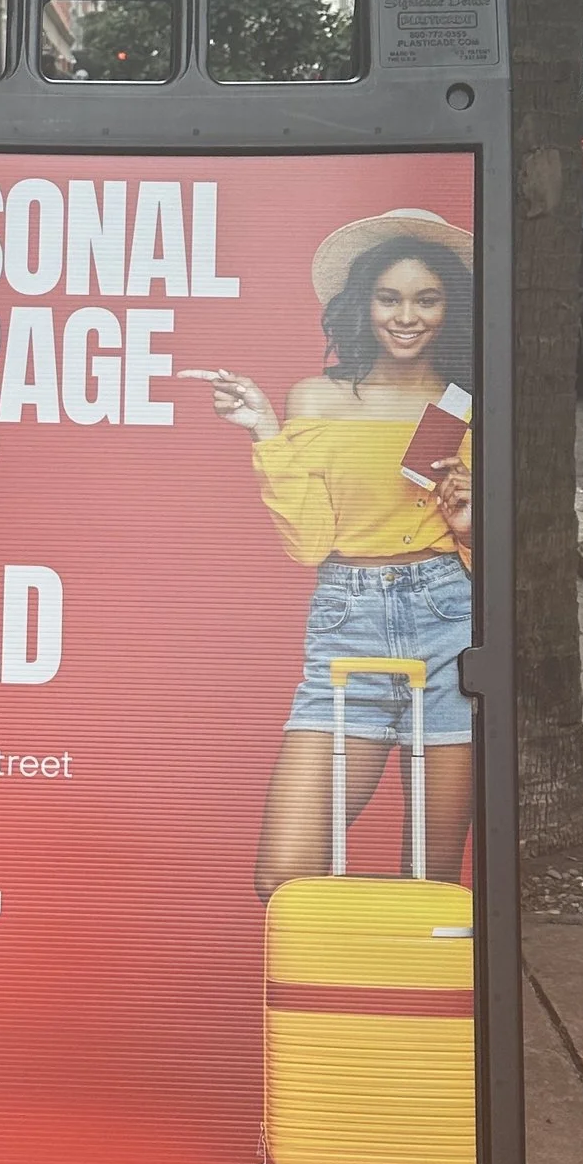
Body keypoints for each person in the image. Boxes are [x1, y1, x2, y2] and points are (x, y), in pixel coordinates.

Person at [186, 211, 475, 894]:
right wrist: (264, 430)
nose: (407, 317)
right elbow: (311, 542)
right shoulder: (316, 398)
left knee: (430, 884)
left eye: (427, 299)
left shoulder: (466, 405)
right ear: (364, 304)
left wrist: (467, 528)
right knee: (284, 873)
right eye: (389, 298)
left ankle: (395, 969)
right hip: (349, 621)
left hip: (451, 621)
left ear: (450, 308)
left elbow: (489, 560)